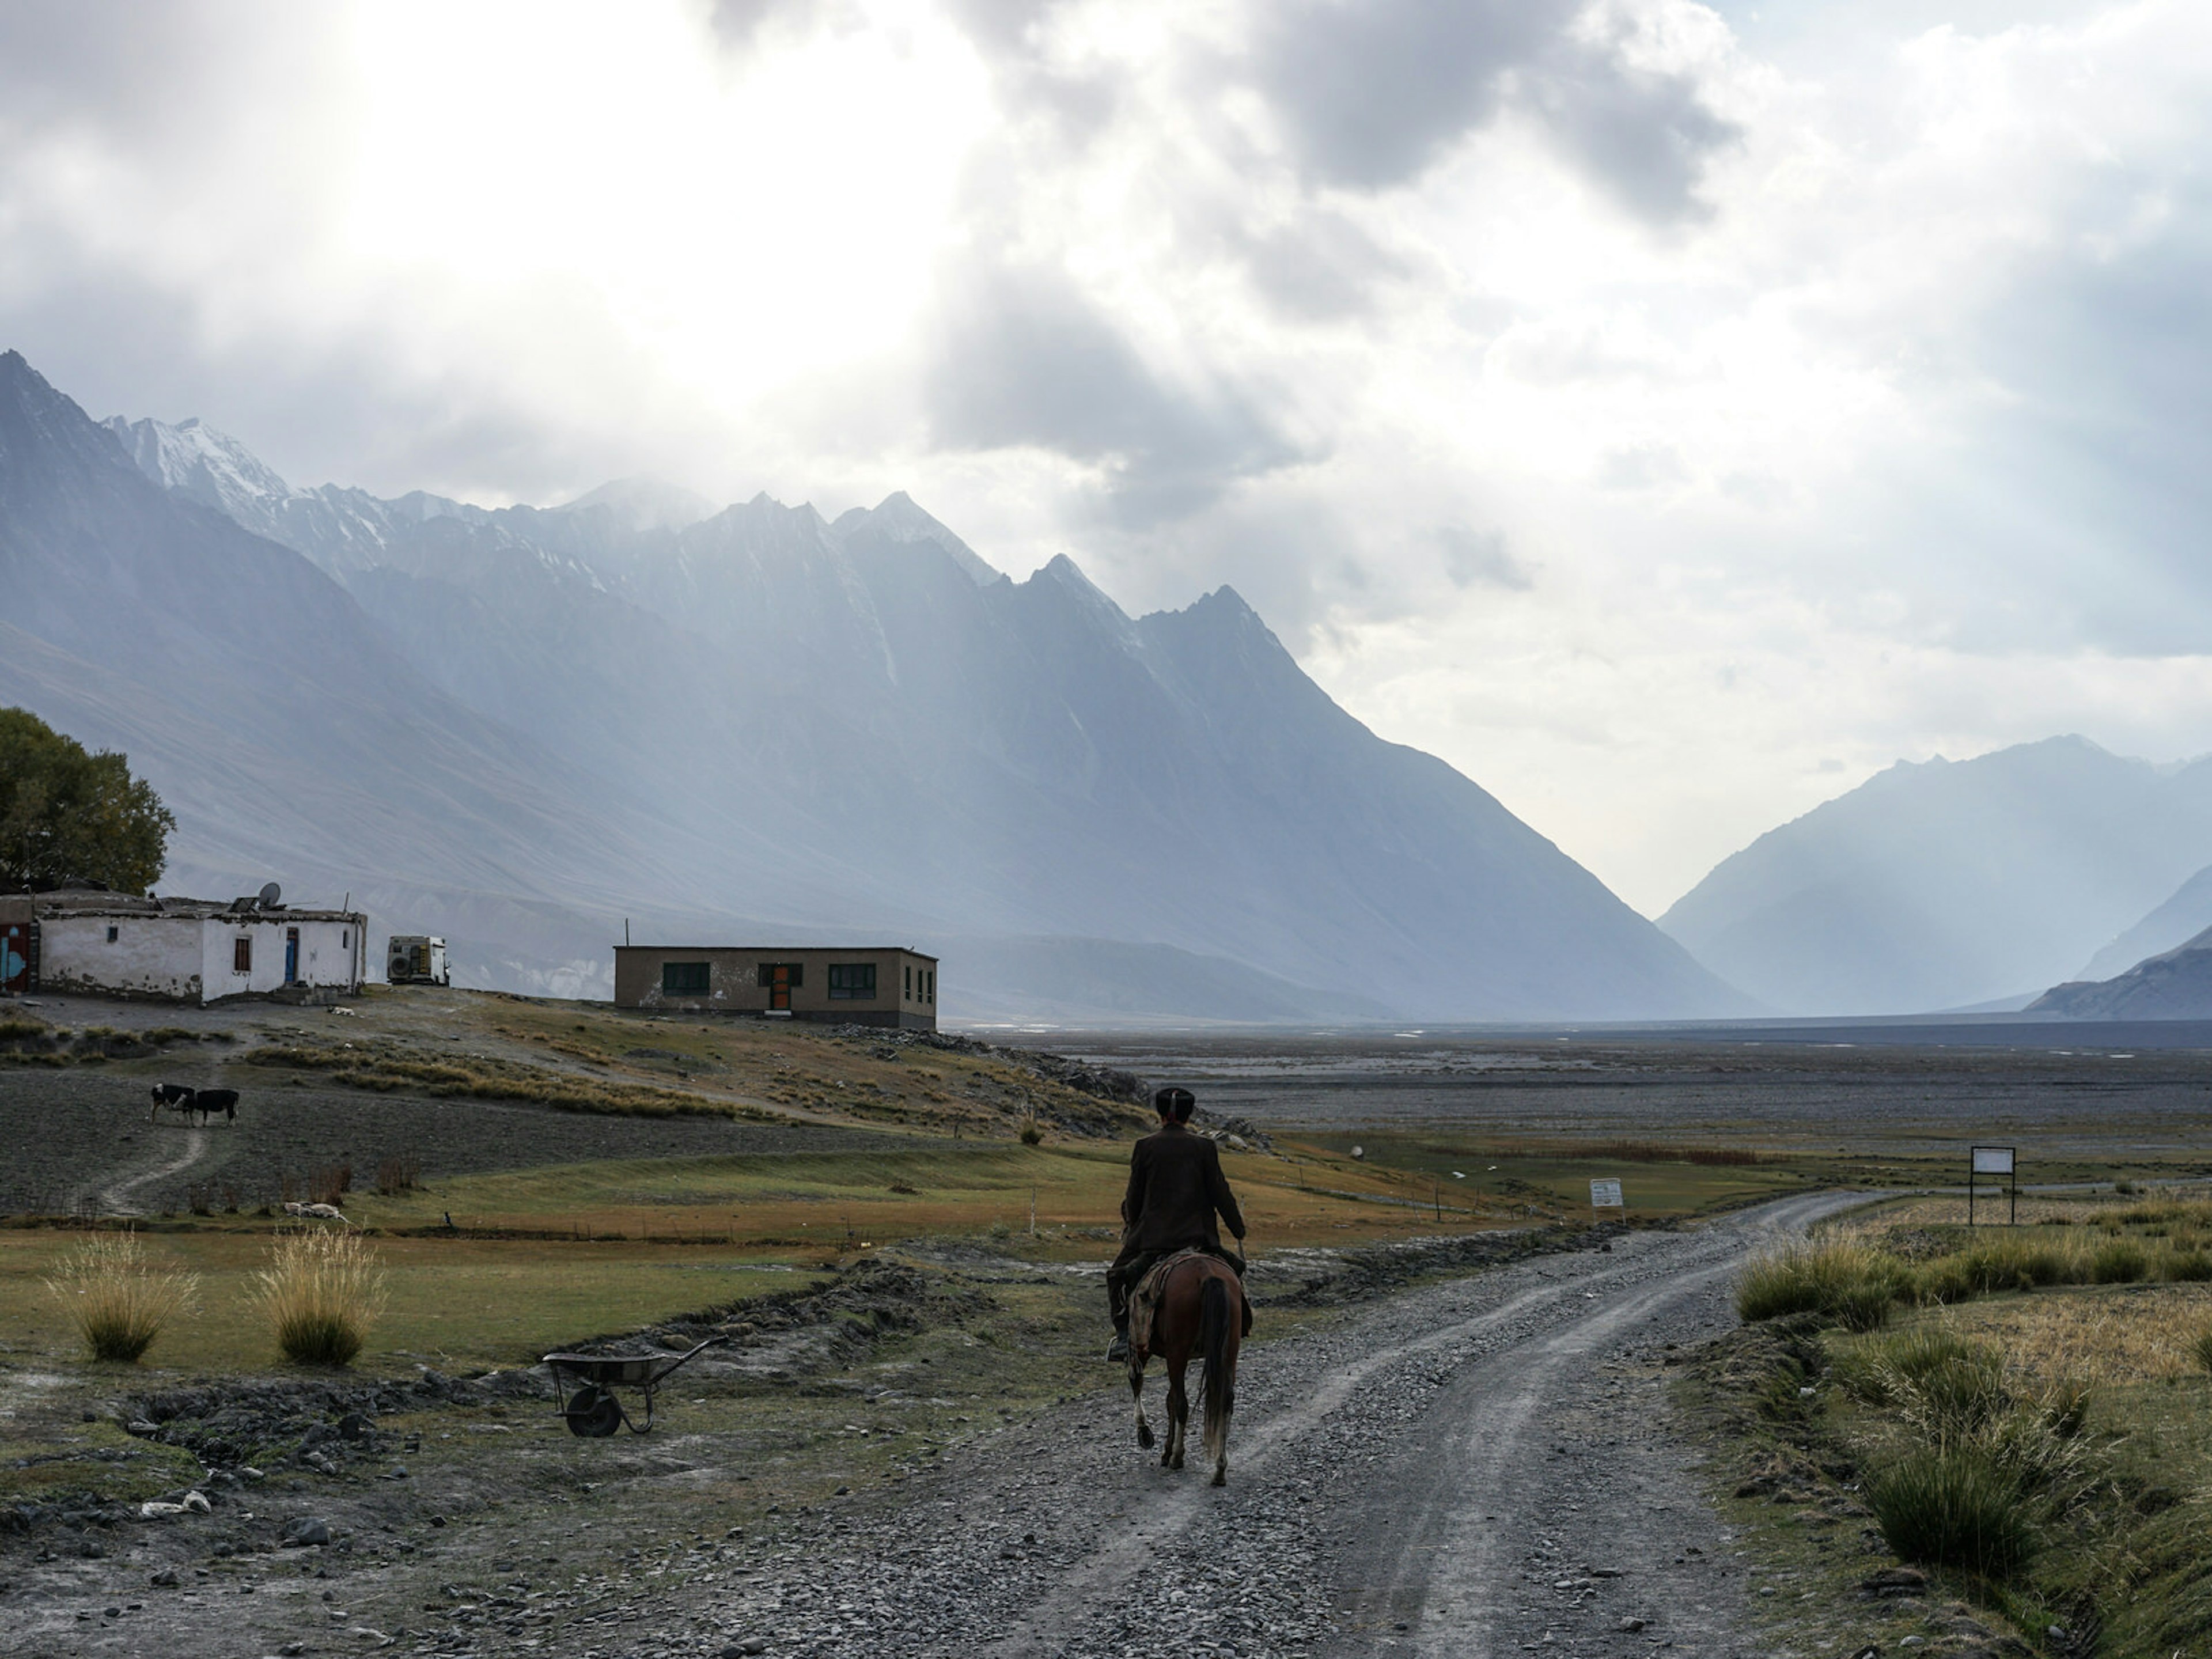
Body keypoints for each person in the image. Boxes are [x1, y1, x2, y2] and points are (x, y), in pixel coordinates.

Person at [1105, 1085, 1246, 1362]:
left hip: (1154, 1240)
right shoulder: (1205, 1147)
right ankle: (1241, 1326)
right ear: (1188, 1114)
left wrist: (1134, 1226)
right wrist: (1237, 1228)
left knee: (1117, 1277)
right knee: (1236, 1271)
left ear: (1160, 1114)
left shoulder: (1145, 1146)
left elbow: (1134, 1196)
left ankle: (1124, 1338)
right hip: (1200, 1239)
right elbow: (1220, 1193)